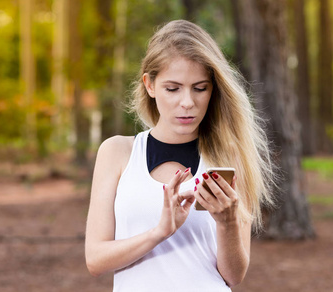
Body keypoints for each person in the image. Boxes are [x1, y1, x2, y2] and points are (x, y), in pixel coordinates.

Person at [85, 20, 276, 291]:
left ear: (213, 90)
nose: (187, 102)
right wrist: (160, 232)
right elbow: (95, 259)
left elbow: (234, 276)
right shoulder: (117, 152)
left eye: (200, 88)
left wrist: (228, 222)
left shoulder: (228, 157)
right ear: (150, 85)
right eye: (172, 88)